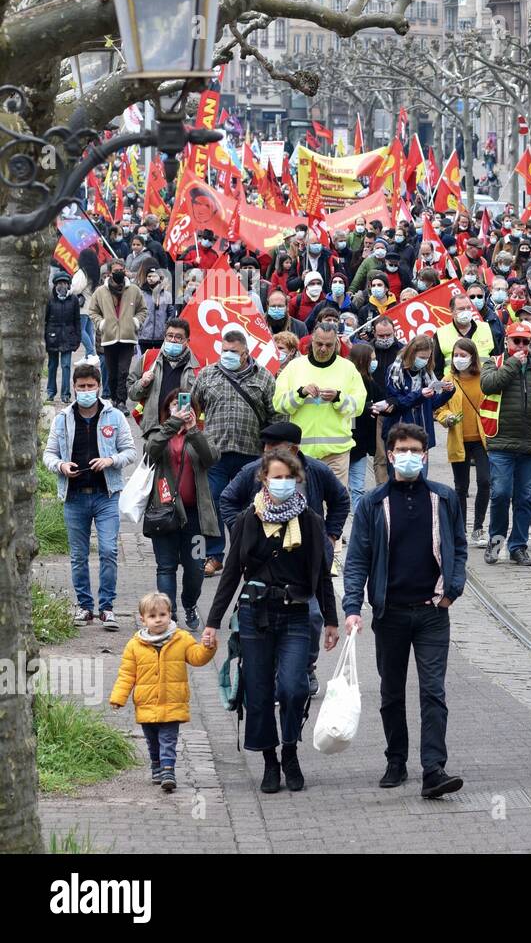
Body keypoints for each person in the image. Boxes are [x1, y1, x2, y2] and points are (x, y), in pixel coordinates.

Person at [202, 449, 339, 794]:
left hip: (295, 612)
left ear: (298, 480)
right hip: (254, 615)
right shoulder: (249, 518)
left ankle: (290, 749)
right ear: (263, 479)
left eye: (287, 477)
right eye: (275, 477)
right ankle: (269, 761)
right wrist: (212, 623)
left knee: (293, 687)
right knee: (259, 691)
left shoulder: (310, 521)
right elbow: (231, 572)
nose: (282, 483)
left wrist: (332, 621)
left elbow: (321, 576)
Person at [343, 424, 468, 799]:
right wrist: (352, 607)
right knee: (391, 692)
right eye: (402, 450)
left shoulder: (444, 498)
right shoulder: (372, 502)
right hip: (390, 613)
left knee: (433, 691)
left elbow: (459, 547)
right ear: (390, 455)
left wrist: (452, 591)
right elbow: (357, 560)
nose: (409, 455)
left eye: (416, 449)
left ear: (426, 455)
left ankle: (434, 768)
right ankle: (396, 759)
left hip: (432, 612)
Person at [43, 363, 137, 629]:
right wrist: (61, 466)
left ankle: (107, 607)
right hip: (74, 496)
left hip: (106, 494)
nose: (85, 391)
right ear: (74, 388)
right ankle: (84, 606)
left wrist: (110, 460)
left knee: (108, 550)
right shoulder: (62, 419)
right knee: (78, 555)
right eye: (81, 387)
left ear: (98, 387)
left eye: (90, 386)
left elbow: (130, 451)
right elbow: (48, 454)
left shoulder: (114, 416)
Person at [109, 592, 216, 792]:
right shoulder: (134, 645)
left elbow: (197, 658)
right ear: (143, 620)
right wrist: (118, 697)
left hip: (172, 701)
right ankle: (156, 765)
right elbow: (126, 674)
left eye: (162, 614)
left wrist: (208, 647)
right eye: (152, 616)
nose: (158, 620)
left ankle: (168, 771)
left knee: (168, 738)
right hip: (146, 703)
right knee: (152, 741)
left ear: (170, 615)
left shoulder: (181, 639)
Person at [192, 329, 278, 577]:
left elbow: (275, 415)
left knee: (251, 507)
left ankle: (248, 553)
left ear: (245, 353)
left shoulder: (263, 378)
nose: (228, 355)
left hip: (251, 455)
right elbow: (193, 407)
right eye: (224, 351)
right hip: (214, 454)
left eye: (233, 352)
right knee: (214, 503)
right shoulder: (208, 374)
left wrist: (270, 450)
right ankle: (215, 555)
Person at [480, 321, 531, 565]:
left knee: (525, 497)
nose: (522, 346)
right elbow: (489, 385)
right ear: (507, 341)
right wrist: (514, 362)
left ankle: (518, 546)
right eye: (517, 341)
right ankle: (496, 539)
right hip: (501, 442)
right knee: (501, 493)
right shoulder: (493, 363)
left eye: (526, 342)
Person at [142, 389, 216, 630]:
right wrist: (172, 425)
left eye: (185, 406)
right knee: (166, 566)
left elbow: (211, 457)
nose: (181, 409)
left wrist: (192, 430)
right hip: (165, 514)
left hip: (195, 516)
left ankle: (190, 604)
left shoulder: (200, 435)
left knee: (195, 568)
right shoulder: (160, 433)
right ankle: (168, 614)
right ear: (167, 410)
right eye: (175, 405)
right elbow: (150, 451)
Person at [274, 319, 367, 488]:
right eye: (319, 344)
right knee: (303, 505)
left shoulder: (348, 369)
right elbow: (279, 404)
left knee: (336, 506)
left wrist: (338, 398)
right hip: (301, 453)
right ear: (311, 342)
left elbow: (358, 407)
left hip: (337, 453)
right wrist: (300, 394)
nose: (323, 349)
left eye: (329, 345)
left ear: (336, 344)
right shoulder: (294, 367)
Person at [437, 338, 491, 546]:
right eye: (456, 355)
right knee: (461, 486)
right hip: (458, 438)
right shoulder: (448, 378)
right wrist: (446, 418)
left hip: (482, 438)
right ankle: (460, 529)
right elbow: (440, 407)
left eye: (463, 355)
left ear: (473, 357)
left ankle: (478, 527)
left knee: (485, 481)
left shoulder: (483, 377)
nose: (459, 359)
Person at [87, 259, 146, 406]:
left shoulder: (134, 290)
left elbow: (143, 310)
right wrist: (101, 323)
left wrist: (135, 322)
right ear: (109, 273)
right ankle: (114, 398)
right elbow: (92, 311)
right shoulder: (100, 291)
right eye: (115, 271)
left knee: (123, 372)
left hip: (127, 338)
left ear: (125, 270)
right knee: (112, 373)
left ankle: (121, 401)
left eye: (121, 270)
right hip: (109, 337)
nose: (119, 273)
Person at [127, 318, 201, 428]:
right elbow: (132, 394)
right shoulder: (149, 357)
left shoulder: (199, 366)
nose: (173, 340)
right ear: (164, 337)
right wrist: (142, 383)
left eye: (178, 337)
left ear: (187, 341)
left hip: (183, 430)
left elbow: (203, 403)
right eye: (170, 336)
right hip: (154, 430)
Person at [385, 334, 455, 446]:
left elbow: (434, 403)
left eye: (427, 357)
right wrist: (419, 394)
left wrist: (448, 391)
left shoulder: (427, 372)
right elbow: (396, 403)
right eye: (422, 357)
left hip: (422, 431)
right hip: (400, 431)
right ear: (411, 353)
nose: (425, 361)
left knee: (422, 463)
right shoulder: (395, 371)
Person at [346, 341, 390, 514]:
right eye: (371, 359)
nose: (374, 362)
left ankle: (358, 524)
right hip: (347, 442)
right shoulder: (349, 381)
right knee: (343, 489)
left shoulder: (371, 382)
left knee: (357, 488)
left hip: (362, 445)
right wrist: (367, 407)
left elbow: (384, 398)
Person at [45, 271, 81, 403]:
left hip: (68, 336)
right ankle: (50, 392)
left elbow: (77, 320)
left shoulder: (74, 300)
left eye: (65, 283)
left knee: (66, 365)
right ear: (55, 285)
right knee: (52, 365)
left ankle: (65, 394)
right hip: (52, 336)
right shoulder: (50, 299)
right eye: (60, 283)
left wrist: (78, 338)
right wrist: (45, 337)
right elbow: (45, 319)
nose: (62, 286)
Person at [134, 259, 174, 352]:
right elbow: (136, 312)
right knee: (145, 363)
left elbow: (170, 312)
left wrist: (166, 326)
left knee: (158, 362)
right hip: (144, 336)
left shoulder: (166, 295)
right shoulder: (141, 294)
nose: (151, 278)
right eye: (149, 276)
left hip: (161, 336)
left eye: (154, 276)